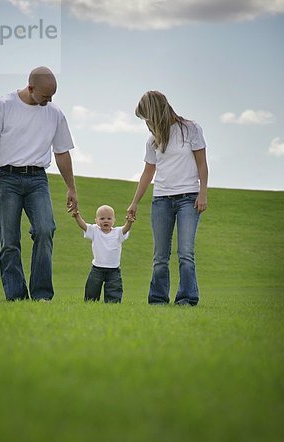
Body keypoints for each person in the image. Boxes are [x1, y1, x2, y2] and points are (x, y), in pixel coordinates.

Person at [0, 66, 77, 301]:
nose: (49, 101)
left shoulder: (55, 113)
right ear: (30, 88)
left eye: (52, 96)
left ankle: (42, 295)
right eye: (45, 96)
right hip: (7, 178)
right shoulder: (3, 106)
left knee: (45, 229)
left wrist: (71, 187)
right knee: (9, 241)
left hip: (37, 179)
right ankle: (16, 296)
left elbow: (62, 152)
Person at [127, 90, 208, 306]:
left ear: (156, 112)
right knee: (160, 256)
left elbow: (202, 163)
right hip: (161, 200)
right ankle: (158, 299)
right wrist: (134, 202)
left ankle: (187, 298)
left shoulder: (190, 129)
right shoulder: (153, 140)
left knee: (186, 254)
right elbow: (148, 172)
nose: (146, 122)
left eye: (147, 117)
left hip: (188, 199)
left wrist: (203, 192)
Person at [71, 204, 134, 303]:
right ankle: (90, 303)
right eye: (102, 218)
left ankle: (112, 304)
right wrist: (77, 216)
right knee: (91, 291)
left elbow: (126, 229)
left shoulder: (117, 232)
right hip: (97, 268)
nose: (106, 221)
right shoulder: (95, 230)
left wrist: (129, 222)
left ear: (114, 220)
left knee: (114, 292)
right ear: (96, 221)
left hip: (114, 270)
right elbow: (84, 226)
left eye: (109, 218)